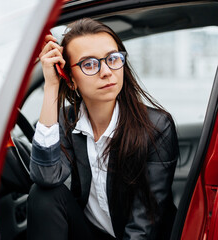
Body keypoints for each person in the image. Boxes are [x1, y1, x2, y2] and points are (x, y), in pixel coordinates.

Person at [27, 18, 179, 240]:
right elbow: (45, 177)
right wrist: (51, 85)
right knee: (43, 196)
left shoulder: (156, 126)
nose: (107, 71)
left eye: (113, 59)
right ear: (70, 80)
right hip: (91, 233)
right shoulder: (68, 120)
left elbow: (144, 226)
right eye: (89, 64)